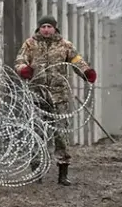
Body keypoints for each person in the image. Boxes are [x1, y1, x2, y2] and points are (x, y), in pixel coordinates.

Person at [15, 15, 97, 186]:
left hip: (59, 97)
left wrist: (86, 72)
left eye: (49, 26)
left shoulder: (65, 45)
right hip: (37, 95)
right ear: (39, 28)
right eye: (43, 26)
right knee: (37, 133)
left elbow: (77, 62)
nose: (46, 29)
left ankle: (63, 171)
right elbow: (20, 60)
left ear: (55, 28)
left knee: (61, 134)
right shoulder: (30, 44)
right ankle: (36, 171)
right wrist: (24, 70)